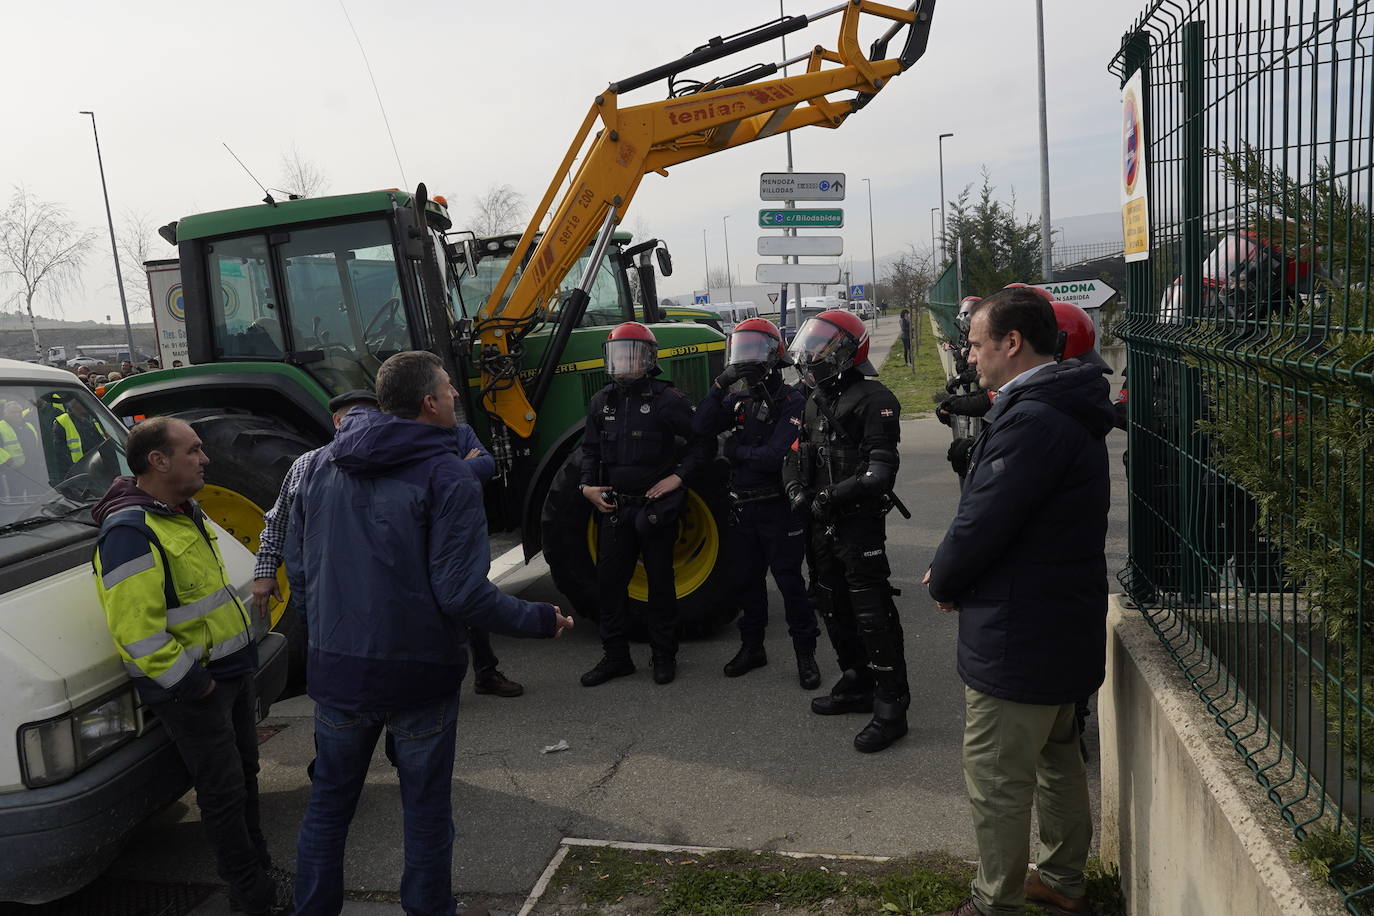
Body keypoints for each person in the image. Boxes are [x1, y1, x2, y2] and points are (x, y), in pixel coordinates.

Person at [286, 351, 571, 916]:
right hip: (418, 673)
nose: (457, 396)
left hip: (338, 670)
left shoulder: (318, 465)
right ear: (428, 402)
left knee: (329, 807)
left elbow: (299, 568)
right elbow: (462, 593)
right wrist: (541, 619)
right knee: (425, 809)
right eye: (449, 388)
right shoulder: (448, 476)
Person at [925, 288, 1115, 916]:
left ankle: (993, 903)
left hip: (1019, 630)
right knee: (1058, 757)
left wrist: (946, 579)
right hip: (1057, 619)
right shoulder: (1060, 402)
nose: (970, 357)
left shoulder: (1033, 419)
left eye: (977, 344)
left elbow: (984, 519)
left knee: (998, 779)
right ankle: (1062, 882)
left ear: (1012, 343)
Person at [91, 417, 282, 915]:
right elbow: (137, 634)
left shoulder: (181, 512)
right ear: (159, 460)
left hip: (229, 672)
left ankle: (260, 868)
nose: (206, 458)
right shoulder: (131, 531)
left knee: (242, 775)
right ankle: (252, 892)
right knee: (222, 791)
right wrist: (193, 684)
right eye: (193, 450)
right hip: (198, 689)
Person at [252, 390, 525, 700]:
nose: (362, 423)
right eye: (351, 417)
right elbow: (278, 519)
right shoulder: (308, 465)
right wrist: (265, 569)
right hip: (332, 581)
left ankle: (464, 676)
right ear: (336, 421)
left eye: (371, 415)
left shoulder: (401, 457)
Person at [783, 309, 910, 753]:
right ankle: (856, 680)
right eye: (814, 342)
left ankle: (892, 706)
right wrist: (796, 486)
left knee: (871, 613)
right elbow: (797, 452)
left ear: (846, 350)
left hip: (857, 525)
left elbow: (880, 472)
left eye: (825, 344)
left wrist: (830, 497)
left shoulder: (874, 398)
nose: (815, 353)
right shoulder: (816, 397)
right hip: (820, 524)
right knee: (829, 602)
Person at [693, 318, 820, 689]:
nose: (746, 358)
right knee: (747, 582)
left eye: (753, 349)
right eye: (740, 349)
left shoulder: (792, 400)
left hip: (778, 508)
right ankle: (753, 648)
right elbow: (699, 426)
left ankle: (805, 655)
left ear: (772, 354)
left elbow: (775, 455)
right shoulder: (736, 398)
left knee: (789, 582)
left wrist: (734, 449)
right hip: (742, 508)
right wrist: (719, 385)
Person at [579, 321, 706, 687]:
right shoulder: (601, 402)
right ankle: (616, 657)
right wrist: (587, 486)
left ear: (649, 359)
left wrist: (678, 478)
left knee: (661, 585)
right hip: (614, 510)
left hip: (655, 510)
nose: (626, 361)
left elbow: (702, 444)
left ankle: (664, 656)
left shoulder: (669, 401)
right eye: (619, 354)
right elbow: (589, 451)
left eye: (633, 354)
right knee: (609, 584)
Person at [51, 394, 106, 476]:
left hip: (99, 468)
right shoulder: (62, 422)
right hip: (79, 474)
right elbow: (61, 456)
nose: (86, 404)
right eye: (82, 402)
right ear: (74, 404)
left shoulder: (92, 418)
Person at [0, 400, 43, 495]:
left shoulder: (29, 426)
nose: (16, 414)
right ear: (5, 413)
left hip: (32, 469)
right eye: (13, 412)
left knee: (35, 497)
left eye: (18, 412)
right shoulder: (1, 427)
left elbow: (37, 446)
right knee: (16, 498)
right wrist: (7, 462)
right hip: (12, 472)